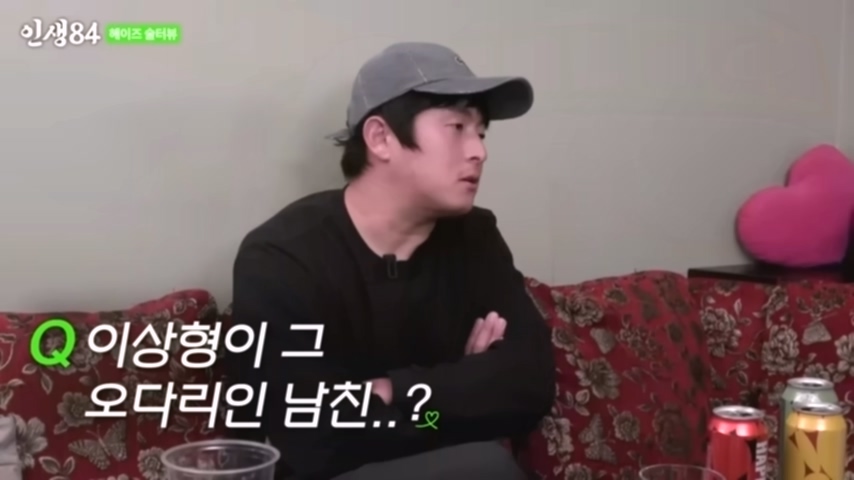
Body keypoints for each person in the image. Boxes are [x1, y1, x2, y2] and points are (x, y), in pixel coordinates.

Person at [227, 42, 556, 480]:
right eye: (457, 126)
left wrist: (394, 390)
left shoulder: (475, 236)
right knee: (487, 465)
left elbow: (530, 384)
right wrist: (457, 393)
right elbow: (315, 440)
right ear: (381, 138)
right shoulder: (283, 257)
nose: (479, 151)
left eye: (481, 132)